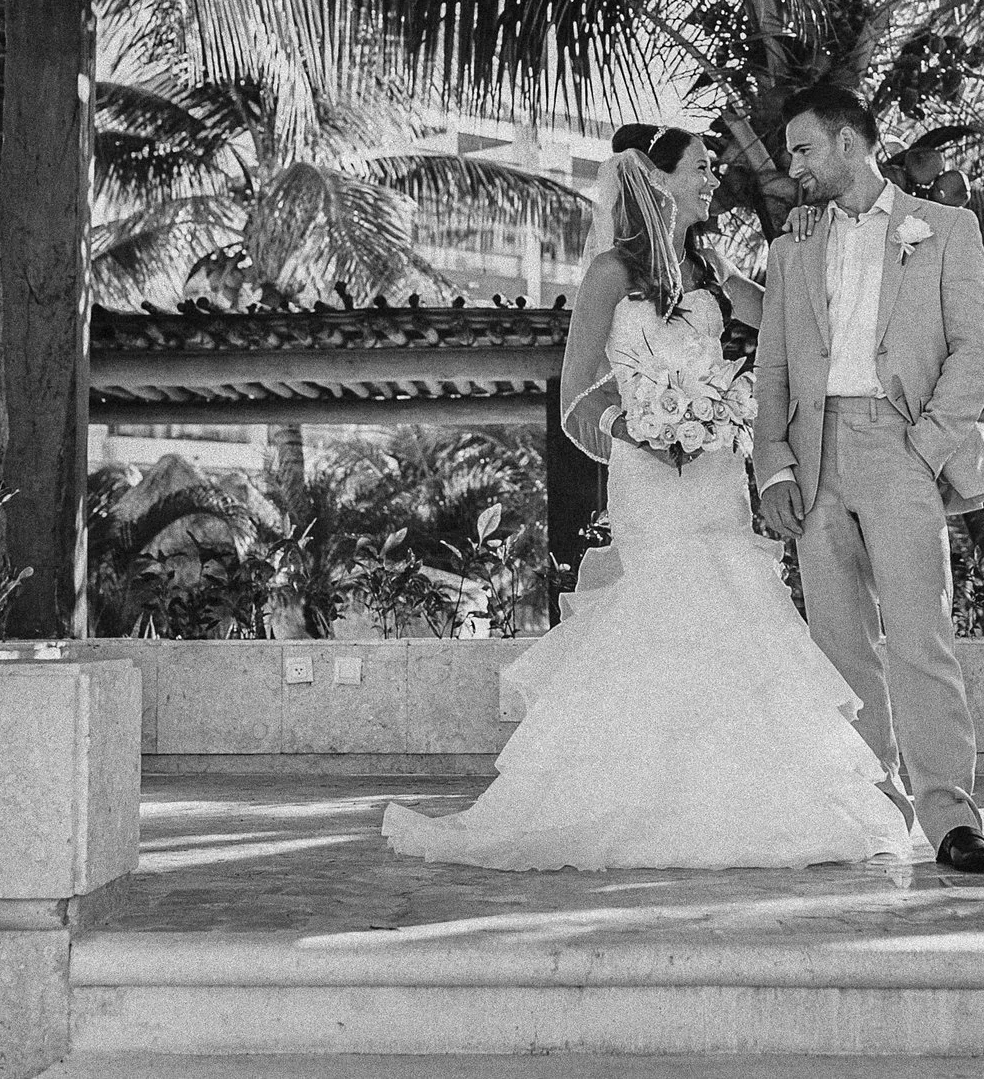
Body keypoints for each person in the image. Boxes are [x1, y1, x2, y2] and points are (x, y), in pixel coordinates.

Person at [382, 123, 910, 870]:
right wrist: (642, 425)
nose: (711, 178)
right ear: (659, 179)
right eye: (701, 167)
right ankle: (635, 804)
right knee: (667, 617)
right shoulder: (610, 272)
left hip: (717, 475)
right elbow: (574, 399)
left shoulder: (712, 270)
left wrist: (794, 248)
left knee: (736, 615)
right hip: (649, 478)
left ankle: (739, 806)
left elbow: (791, 314)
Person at [754, 84, 984, 875]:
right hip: (815, 449)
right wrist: (774, 465)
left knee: (919, 637)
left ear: (849, 145)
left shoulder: (946, 229)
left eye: (802, 149)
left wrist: (927, 445)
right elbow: (774, 367)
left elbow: (975, 348)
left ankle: (949, 819)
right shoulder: (792, 243)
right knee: (838, 647)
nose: (791, 166)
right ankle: (871, 809)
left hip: (901, 446)